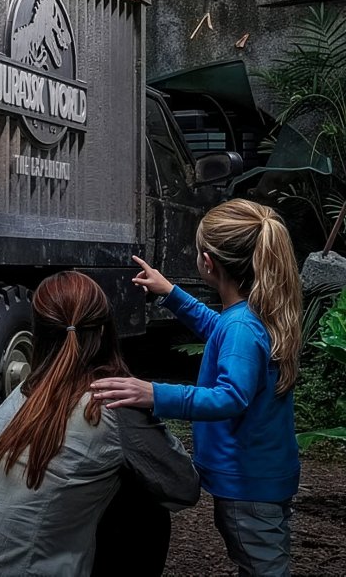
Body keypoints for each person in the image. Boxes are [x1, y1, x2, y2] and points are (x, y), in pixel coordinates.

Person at [0, 271, 199, 576]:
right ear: (105, 331)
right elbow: (184, 488)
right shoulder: (112, 403)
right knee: (144, 504)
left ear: (37, 333)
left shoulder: (20, 395)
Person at [92, 199, 302, 576]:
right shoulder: (254, 313)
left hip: (247, 485)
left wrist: (155, 394)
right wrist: (171, 293)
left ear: (208, 262)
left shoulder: (241, 327)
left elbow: (230, 396)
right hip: (265, 475)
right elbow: (216, 328)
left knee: (265, 568)